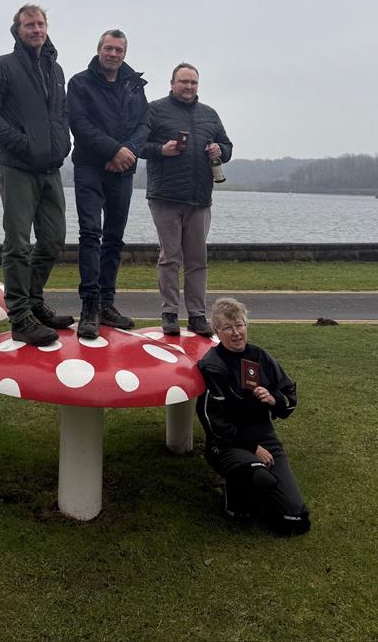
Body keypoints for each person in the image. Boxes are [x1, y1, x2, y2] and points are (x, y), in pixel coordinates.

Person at [0, 4, 73, 345]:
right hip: (17, 166)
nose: (36, 29)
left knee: (53, 239)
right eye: (29, 24)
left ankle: (34, 302)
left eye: (40, 23)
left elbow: (61, 115)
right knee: (18, 244)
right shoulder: (4, 66)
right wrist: (21, 143)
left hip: (51, 167)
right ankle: (20, 317)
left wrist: (64, 143)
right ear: (18, 30)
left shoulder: (56, 69)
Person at [197, 297, 311, 535]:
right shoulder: (212, 365)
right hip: (227, 444)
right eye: (228, 328)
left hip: (264, 434)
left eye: (240, 325)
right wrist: (252, 446)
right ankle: (235, 499)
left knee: (296, 519)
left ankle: (260, 499)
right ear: (217, 332)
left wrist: (274, 399)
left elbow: (289, 396)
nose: (236, 333)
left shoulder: (261, 357)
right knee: (259, 477)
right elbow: (211, 421)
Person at [67, 29, 149, 338]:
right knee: (91, 234)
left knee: (114, 239)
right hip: (90, 167)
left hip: (123, 171)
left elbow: (145, 123)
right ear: (99, 49)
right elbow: (79, 123)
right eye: (108, 48)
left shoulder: (134, 85)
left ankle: (107, 304)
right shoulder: (79, 83)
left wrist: (127, 152)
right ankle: (90, 305)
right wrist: (114, 150)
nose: (113, 54)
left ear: (124, 54)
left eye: (118, 50)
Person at [143, 63, 232, 336]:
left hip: (200, 198)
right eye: (183, 82)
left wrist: (220, 149)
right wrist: (161, 149)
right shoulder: (154, 110)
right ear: (171, 83)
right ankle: (169, 312)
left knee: (197, 260)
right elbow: (137, 145)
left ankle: (196, 315)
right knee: (169, 258)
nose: (189, 87)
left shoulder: (210, 114)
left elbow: (227, 148)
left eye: (193, 82)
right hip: (165, 197)